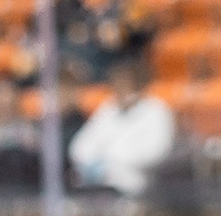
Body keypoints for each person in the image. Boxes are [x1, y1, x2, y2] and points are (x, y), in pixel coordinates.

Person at [67, 61, 175, 197]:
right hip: (97, 186)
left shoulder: (157, 111)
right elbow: (80, 146)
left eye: (125, 85)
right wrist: (93, 162)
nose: (120, 91)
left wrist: (113, 159)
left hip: (137, 188)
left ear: (138, 86)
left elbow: (156, 151)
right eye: (116, 86)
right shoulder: (108, 109)